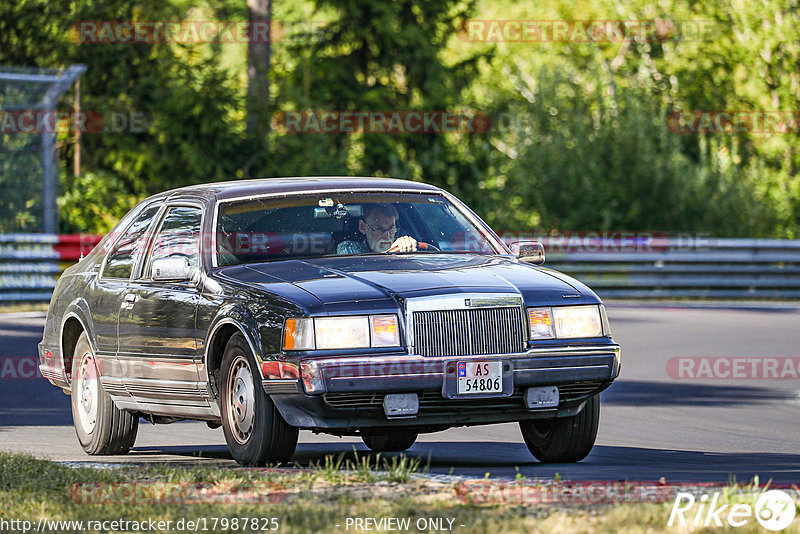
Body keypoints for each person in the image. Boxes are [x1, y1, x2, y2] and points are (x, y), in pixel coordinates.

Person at [336, 203, 417, 254]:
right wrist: (393, 254)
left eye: (391, 228)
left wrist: (408, 246)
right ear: (362, 227)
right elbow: (353, 266)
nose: (387, 236)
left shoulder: (401, 244)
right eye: (379, 229)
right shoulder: (349, 247)